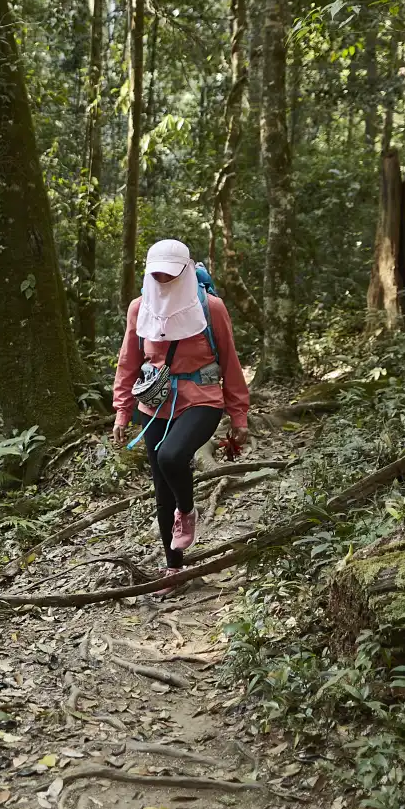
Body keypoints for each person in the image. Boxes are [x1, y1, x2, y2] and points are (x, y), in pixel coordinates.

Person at [111, 239, 251, 569]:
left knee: (171, 456)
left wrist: (239, 415)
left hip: (202, 398)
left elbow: (230, 360)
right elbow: (128, 361)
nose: (163, 280)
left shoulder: (210, 307)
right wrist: (122, 410)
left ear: (185, 271)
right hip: (154, 404)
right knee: (162, 487)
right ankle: (174, 567)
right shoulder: (139, 308)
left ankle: (186, 510)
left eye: (170, 274)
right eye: (157, 274)